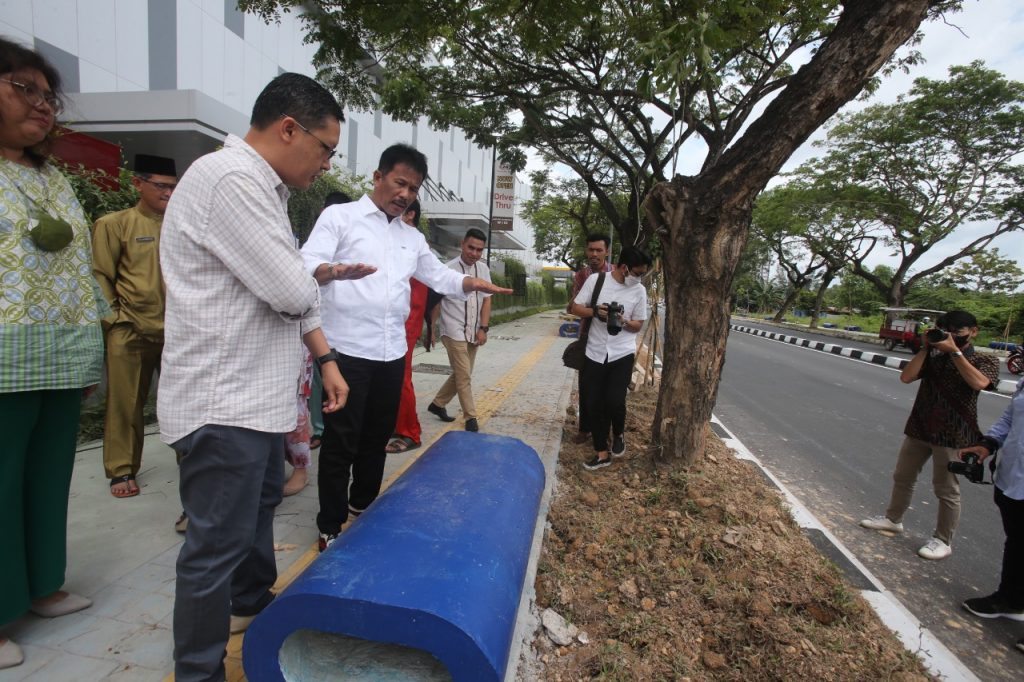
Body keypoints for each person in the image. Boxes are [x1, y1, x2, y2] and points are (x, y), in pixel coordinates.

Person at [158, 73, 350, 682]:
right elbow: (292, 286)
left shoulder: (266, 188)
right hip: (224, 401)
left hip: (257, 398)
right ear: (288, 129)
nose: (325, 163)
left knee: (256, 513)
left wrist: (324, 358)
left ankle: (248, 602)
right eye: (324, 148)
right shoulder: (232, 180)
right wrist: (309, 287)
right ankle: (198, 672)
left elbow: (296, 289)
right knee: (212, 549)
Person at [301, 143, 512, 551]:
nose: (405, 194)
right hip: (346, 352)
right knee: (341, 440)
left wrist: (473, 284)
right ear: (378, 178)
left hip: (392, 354)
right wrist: (332, 272)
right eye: (400, 183)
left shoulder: (411, 238)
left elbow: (440, 277)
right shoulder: (340, 218)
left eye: (413, 189)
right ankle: (329, 523)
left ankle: (362, 505)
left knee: (377, 435)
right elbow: (306, 262)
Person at [0, 37, 106, 671]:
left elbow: (77, 269)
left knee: (49, 475)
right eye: (23, 89)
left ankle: (42, 586)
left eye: (47, 94)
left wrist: (88, 348)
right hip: (3, 354)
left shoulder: (55, 176)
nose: (42, 105)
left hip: (60, 350)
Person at [860, 310, 1000, 560]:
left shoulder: (983, 359)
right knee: (903, 476)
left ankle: (942, 540)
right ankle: (893, 519)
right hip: (920, 427)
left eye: (957, 333)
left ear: (973, 331)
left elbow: (979, 383)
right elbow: (907, 377)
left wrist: (955, 352)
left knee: (946, 489)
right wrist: (925, 348)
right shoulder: (933, 355)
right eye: (945, 331)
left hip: (953, 434)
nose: (950, 337)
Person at [92, 153, 177, 498]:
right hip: (129, 328)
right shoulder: (115, 224)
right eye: (161, 186)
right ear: (137, 183)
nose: (168, 193)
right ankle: (122, 469)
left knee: (180, 402)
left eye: (173, 187)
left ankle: (191, 465)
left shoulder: (180, 225)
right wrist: (115, 319)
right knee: (125, 402)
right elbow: (99, 275)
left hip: (176, 331)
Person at [569, 246, 652, 471]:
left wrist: (623, 320)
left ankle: (619, 434)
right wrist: (595, 312)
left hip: (621, 353)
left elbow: (638, 325)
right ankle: (601, 453)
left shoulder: (639, 291)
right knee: (593, 404)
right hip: (594, 352)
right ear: (623, 268)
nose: (639, 278)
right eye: (637, 273)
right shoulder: (596, 281)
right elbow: (575, 307)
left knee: (615, 400)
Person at [958, 375, 1024, 654]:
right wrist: (988, 444)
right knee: (1018, 541)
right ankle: (1012, 600)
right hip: (1014, 477)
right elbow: (1011, 417)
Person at [426, 228, 492, 432]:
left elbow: (487, 299)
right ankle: (471, 419)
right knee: (464, 375)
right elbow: (436, 303)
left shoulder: (484, 269)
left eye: (479, 249)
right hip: (453, 330)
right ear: (462, 244)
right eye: (471, 247)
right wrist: (431, 330)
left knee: (462, 373)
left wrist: (484, 328)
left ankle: (437, 404)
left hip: (473, 331)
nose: (474, 253)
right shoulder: (448, 269)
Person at [307, 190, 353, 450]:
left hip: (338, 331)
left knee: (335, 378)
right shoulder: (314, 248)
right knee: (314, 380)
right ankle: (318, 428)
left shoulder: (352, 247)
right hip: (311, 327)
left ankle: (327, 428)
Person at [386, 200, 429, 453]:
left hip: (406, 320)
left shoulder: (415, 243)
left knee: (402, 377)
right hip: (398, 320)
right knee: (393, 376)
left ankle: (410, 432)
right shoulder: (400, 241)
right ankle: (397, 425)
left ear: (410, 214)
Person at [569, 233, 613, 444]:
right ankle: (584, 428)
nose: (594, 254)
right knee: (586, 385)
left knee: (609, 388)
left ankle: (605, 431)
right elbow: (574, 308)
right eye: (591, 250)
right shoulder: (581, 276)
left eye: (599, 250)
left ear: (607, 252)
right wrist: (594, 311)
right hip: (588, 336)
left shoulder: (616, 274)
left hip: (613, 340)